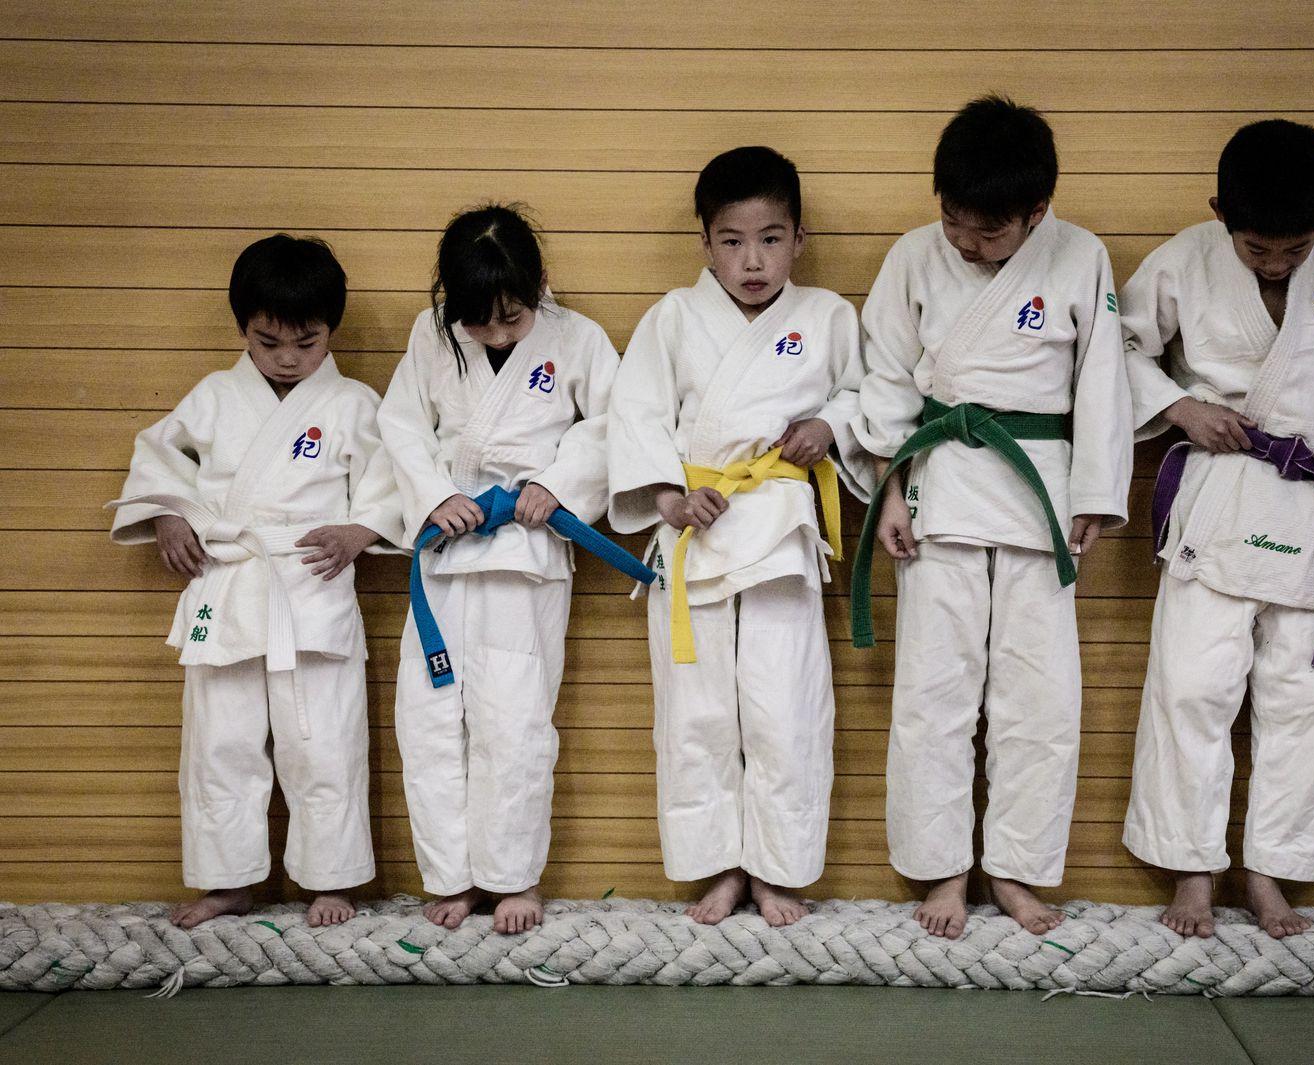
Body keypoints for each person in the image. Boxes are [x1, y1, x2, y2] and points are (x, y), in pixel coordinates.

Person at [1118, 119, 1314, 939]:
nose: (1279, 263)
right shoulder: (1184, 256)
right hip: (1218, 499)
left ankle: (1269, 872)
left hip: (1313, 503)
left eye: (1294, 249)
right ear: (1220, 212)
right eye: (1257, 250)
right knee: (1189, 689)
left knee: (1308, 700)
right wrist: (1180, 405)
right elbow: (1114, 348)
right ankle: (1192, 869)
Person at [851, 96, 1133, 939]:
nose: (967, 244)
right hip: (939, 488)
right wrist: (891, 483)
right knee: (933, 694)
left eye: (989, 233)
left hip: (1040, 496)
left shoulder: (1081, 256)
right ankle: (942, 869)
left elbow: (1103, 382)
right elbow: (886, 379)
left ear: (1037, 211)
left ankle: (1015, 869)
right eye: (954, 223)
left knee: (1038, 700)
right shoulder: (911, 257)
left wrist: (1094, 494)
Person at [607, 147, 871, 927]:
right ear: (705, 243)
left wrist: (831, 423)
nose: (751, 260)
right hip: (696, 529)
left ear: (800, 237)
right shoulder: (672, 318)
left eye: (769, 238)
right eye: (731, 240)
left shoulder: (826, 316)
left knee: (785, 704)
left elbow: (865, 396)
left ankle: (779, 868)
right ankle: (717, 867)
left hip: (782, 531)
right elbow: (638, 416)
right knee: (696, 713)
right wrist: (667, 494)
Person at [110, 234, 402, 928]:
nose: (288, 358)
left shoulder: (355, 404)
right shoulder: (213, 397)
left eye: (307, 341)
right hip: (231, 580)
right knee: (220, 745)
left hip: (312, 586)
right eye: (269, 341)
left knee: (324, 743)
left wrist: (361, 530)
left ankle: (329, 879)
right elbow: (158, 463)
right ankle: (227, 880)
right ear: (243, 327)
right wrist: (169, 516)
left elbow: (391, 487)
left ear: (331, 330)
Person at [379, 204, 618, 933]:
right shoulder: (430, 335)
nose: (496, 333)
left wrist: (561, 483)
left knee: (512, 722)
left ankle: (513, 877)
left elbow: (612, 423)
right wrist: (437, 494)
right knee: (426, 720)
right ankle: (450, 875)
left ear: (540, 283)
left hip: (524, 553)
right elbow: (400, 425)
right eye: (478, 323)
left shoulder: (579, 339)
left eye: (511, 320)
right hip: (446, 553)